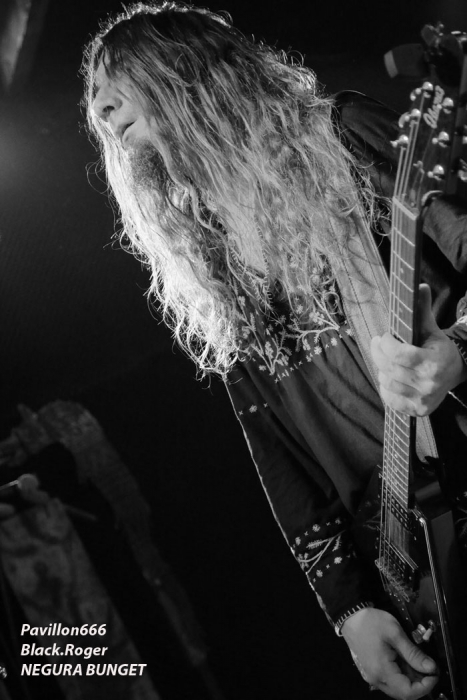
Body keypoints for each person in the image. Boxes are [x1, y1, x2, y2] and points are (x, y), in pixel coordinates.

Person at [83, 3, 467, 698]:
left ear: (188, 67)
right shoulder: (210, 259)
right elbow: (276, 453)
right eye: (95, 96)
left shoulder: (342, 138)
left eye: (119, 78)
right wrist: (350, 608)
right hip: (407, 561)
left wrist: (457, 352)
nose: (100, 106)